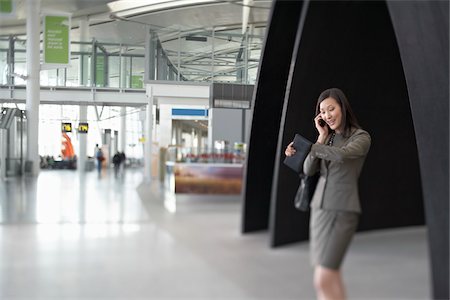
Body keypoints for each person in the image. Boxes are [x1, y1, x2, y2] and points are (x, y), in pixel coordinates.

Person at [285, 88, 371, 300]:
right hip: (319, 209)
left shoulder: (361, 137)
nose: (327, 115)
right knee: (330, 275)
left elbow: (342, 156)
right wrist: (321, 137)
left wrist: (309, 147)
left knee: (323, 277)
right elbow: (308, 170)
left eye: (331, 109)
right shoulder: (327, 139)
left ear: (343, 107)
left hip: (343, 210)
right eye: (322, 112)